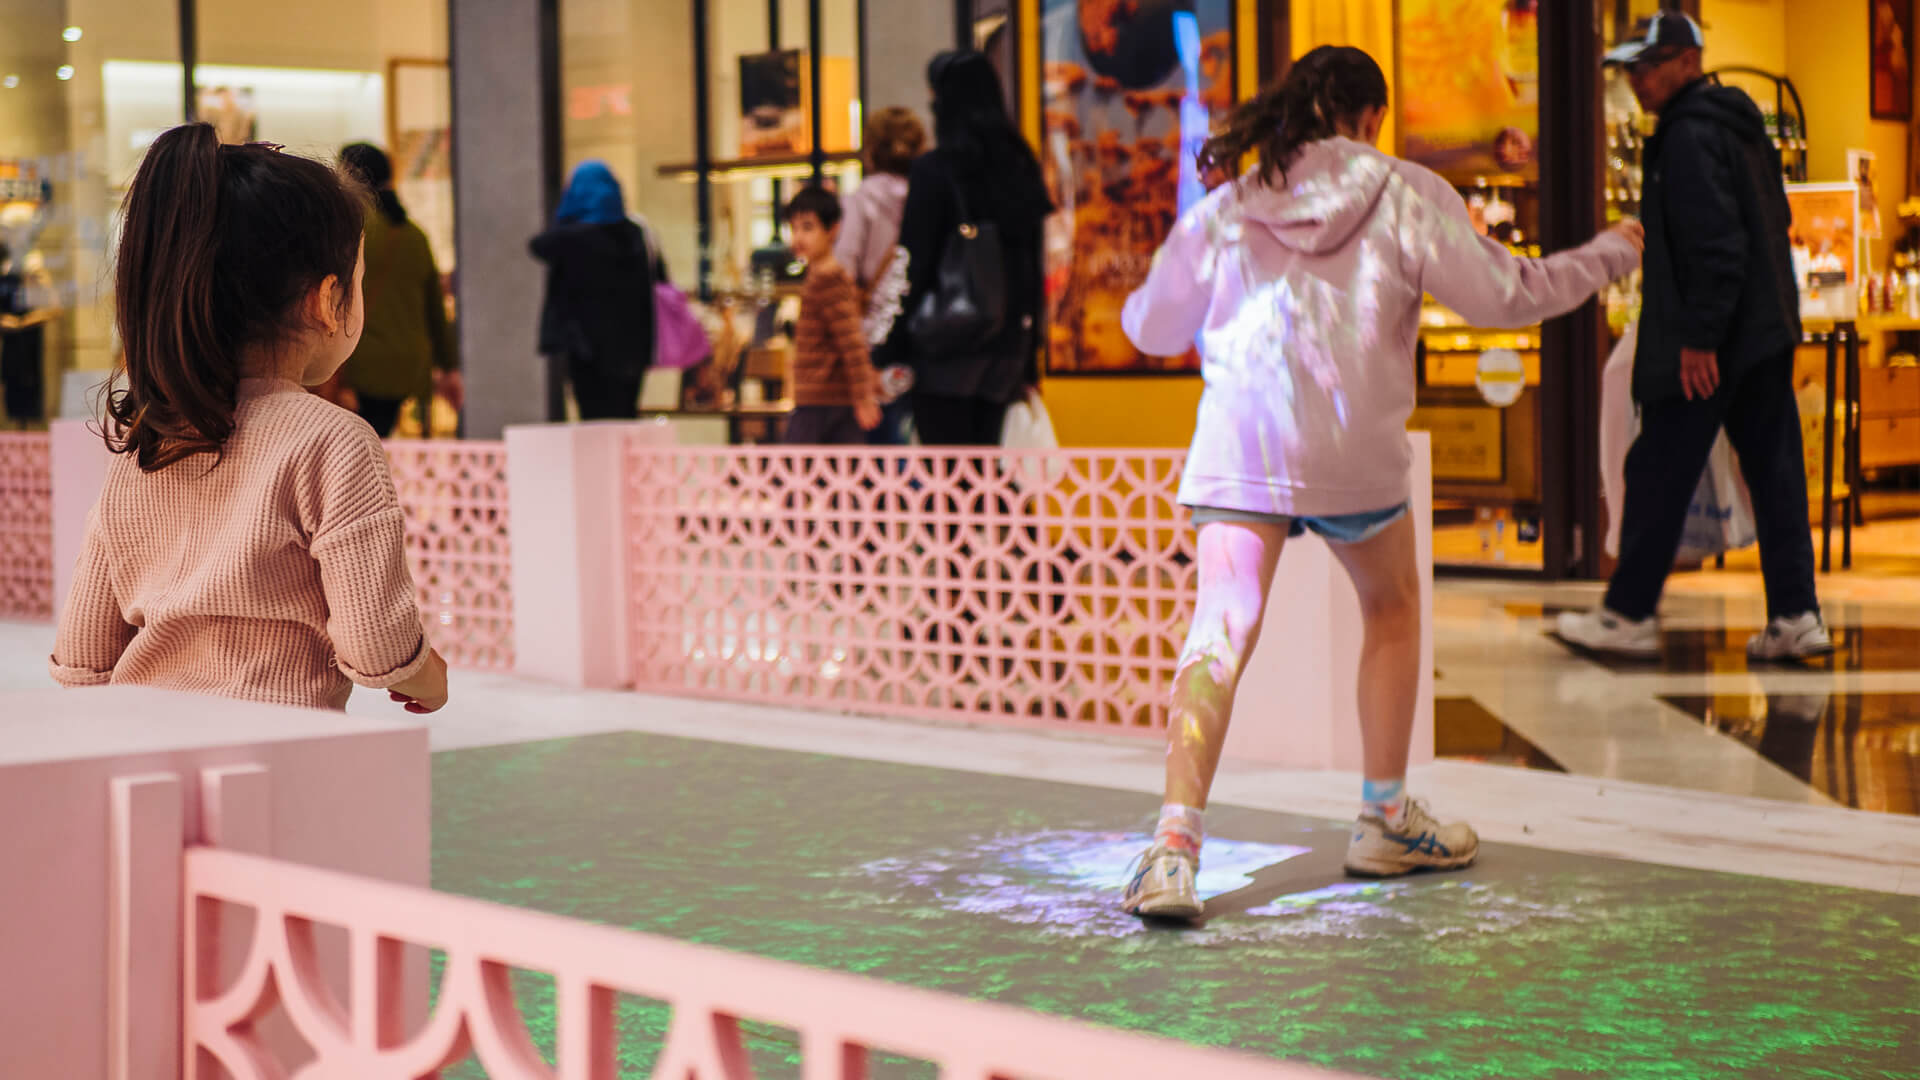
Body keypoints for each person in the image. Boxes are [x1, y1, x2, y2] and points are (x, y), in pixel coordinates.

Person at [1117, 46, 1643, 920]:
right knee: (1391, 610)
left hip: (1243, 448)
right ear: (1368, 119)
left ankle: (1174, 848)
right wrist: (1605, 256)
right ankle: (1385, 816)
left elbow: (1149, 324)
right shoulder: (1406, 193)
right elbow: (1509, 296)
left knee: (1219, 628)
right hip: (1353, 452)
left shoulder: (1232, 205)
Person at [48, 124, 449, 714]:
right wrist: (427, 676)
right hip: (277, 753)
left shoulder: (148, 446)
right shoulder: (333, 441)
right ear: (327, 300)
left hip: (141, 739)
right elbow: (375, 644)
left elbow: (82, 656)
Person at [1558, 13, 1829, 662]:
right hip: (1764, 334)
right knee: (1774, 473)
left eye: (1650, 65)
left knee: (1656, 470)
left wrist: (1700, 339)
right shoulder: (1741, 128)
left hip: (1711, 348)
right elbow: (1776, 219)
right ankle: (1797, 615)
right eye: (1632, 69)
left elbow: (1715, 247)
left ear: (1688, 61)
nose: (1639, 80)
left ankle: (1626, 614)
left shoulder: (1687, 136)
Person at [894, 50, 1052, 446]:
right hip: (1006, 354)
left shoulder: (934, 171)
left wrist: (893, 342)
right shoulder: (1021, 166)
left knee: (949, 485)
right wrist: (1030, 356)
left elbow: (915, 265)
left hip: (947, 349)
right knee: (992, 481)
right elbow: (1033, 266)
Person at [336, 143, 461, 438]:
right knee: (380, 438)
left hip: (360, 363)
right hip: (407, 365)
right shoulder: (415, 236)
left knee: (355, 443)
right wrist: (449, 366)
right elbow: (435, 310)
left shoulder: (351, 231)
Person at [531, 162, 665, 421]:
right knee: (625, 420)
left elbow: (539, 246)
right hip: (634, 349)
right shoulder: (636, 234)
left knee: (594, 423)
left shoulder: (574, 237)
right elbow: (659, 277)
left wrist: (567, 215)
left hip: (587, 350)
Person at [836, 106, 926, 445]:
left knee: (878, 443)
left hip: (873, 336)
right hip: (919, 333)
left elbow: (844, 270)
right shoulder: (927, 198)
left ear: (871, 148)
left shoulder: (860, 201)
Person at [784, 186, 880, 444]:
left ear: (833, 229)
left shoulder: (829, 280)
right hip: (822, 399)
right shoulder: (820, 277)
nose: (798, 237)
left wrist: (863, 398)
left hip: (824, 401)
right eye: (794, 228)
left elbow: (852, 344)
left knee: (797, 475)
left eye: (808, 227)